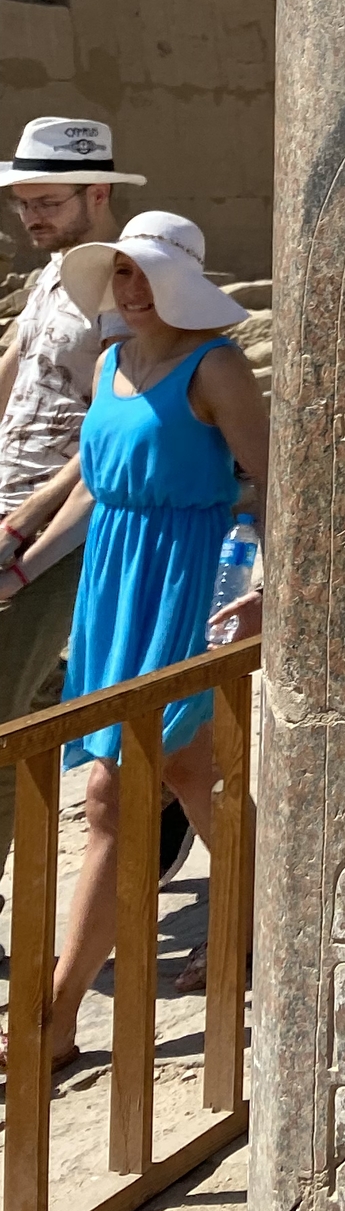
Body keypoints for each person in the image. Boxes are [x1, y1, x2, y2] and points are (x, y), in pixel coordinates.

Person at [0, 212, 266, 1067]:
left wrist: (269, 591)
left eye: (146, 272)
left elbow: (272, 483)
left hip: (184, 590)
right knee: (192, 777)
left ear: (181, 276)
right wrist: (26, 543)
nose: (132, 288)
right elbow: (92, 474)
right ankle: (272, 920)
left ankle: (50, 1017)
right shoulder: (115, 359)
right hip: (115, 588)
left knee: (115, 798)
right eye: (120, 274)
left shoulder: (216, 366)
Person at [0, 120, 144, 896]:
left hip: (61, 526)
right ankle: (134, 743)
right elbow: (15, 377)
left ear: (99, 193)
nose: (31, 217)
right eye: (23, 203)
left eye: (48, 201)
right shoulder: (46, 279)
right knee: (32, 692)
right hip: (10, 503)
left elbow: (113, 426)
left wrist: (29, 526)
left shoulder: (120, 288)